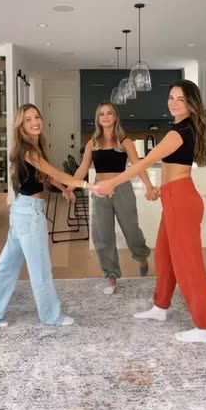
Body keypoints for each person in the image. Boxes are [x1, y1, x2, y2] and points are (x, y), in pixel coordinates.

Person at [96, 81, 206, 343]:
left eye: (180, 99)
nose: (173, 103)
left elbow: (146, 161)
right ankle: (160, 307)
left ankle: (204, 327)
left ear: (192, 103)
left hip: (182, 199)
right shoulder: (181, 127)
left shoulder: (178, 132)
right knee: (164, 256)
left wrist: (112, 183)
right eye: (171, 97)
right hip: (174, 196)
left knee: (188, 265)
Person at [0, 103, 100, 328]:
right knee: (41, 268)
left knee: (6, 265)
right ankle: (51, 316)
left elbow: (46, 176)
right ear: (21, 125)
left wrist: (64, 190)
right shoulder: (29, 150)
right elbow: (55, 173)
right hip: (29, 214)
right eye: (28, 119)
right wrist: (87, 185)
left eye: (37, 117)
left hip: (21, 211)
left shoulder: (32, 148)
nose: (34, 122)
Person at [68, 102, 159, 294]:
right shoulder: (92, 144)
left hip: (122, 190)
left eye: (110, 113)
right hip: (100, 191)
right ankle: (111, 275)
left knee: (131, 231)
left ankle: (141, 255)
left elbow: (137, 166)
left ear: (115, 117)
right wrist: (70, 186)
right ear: (98, 119)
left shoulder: (125, 142)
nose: (106, 116)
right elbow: (83, 168)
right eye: (102, 114)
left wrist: (149, 186)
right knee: (103, 236)